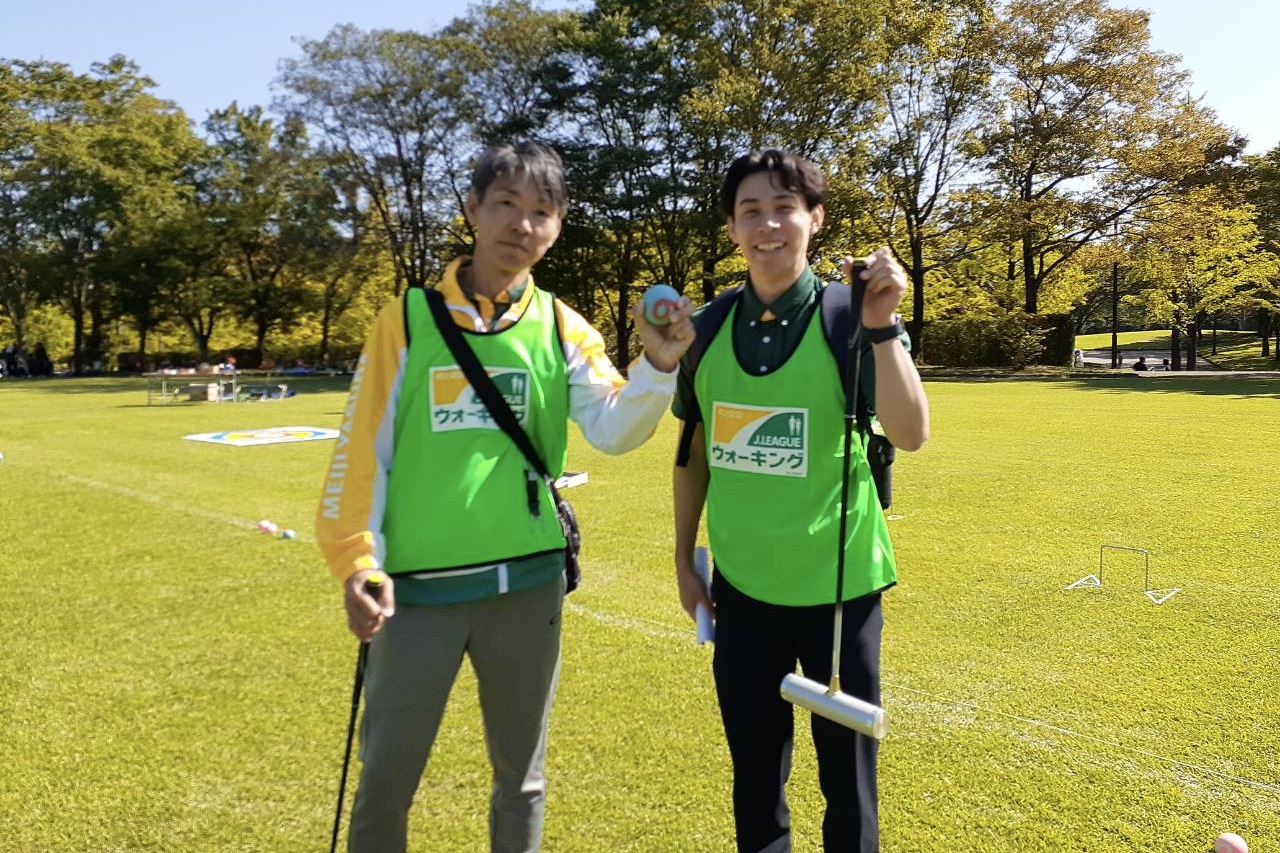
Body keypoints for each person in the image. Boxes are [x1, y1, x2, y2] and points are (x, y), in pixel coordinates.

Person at [315, 140, 695, 853]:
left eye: (541, 212)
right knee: (386, 779)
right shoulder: (407, 318)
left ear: (557, 226)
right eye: (506, 205)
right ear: (472, 209)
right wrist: (356, 561)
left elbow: (612, 428)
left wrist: (658, 366)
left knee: (521, 781)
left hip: (528, 585)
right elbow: (361, 450)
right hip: (416, 593)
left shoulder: (560, 324)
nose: (522, 225)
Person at [671, 149, 929, 852]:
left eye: (784, 207)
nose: (768, 224)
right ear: (731, 228)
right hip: (744, 593)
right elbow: (692, 456)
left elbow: (911, 433)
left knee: (847, 785)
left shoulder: (851, 316)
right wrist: (684, 559)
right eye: (750, 210)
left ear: (813, 219)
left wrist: (882, 326)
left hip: (840, 594)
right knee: (755, 781)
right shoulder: (708, 327)